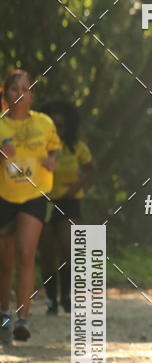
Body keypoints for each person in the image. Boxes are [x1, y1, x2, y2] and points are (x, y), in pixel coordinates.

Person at [0, 70, 60, 343]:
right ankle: (4, 316)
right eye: (14, 89)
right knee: (5, 262)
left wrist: (52, 160)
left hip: (35, 194)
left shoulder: (45, 123)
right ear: (5, 94)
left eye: (26, 89)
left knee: (26, 254)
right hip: (4, 196)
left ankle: (22, 320)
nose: (20, 93)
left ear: (31, 95)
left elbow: (54, 149)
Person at [38, 100, 93, 313]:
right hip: (43, 201)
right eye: (53, 125)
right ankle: (51, 300)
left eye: (61, 126)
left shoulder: (76, 147)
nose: (57, 130)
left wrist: (77, 186)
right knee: (46, 252)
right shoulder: (39, 147)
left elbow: (90, 170)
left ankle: (67, 297)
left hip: (69, 201)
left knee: (69, 247)